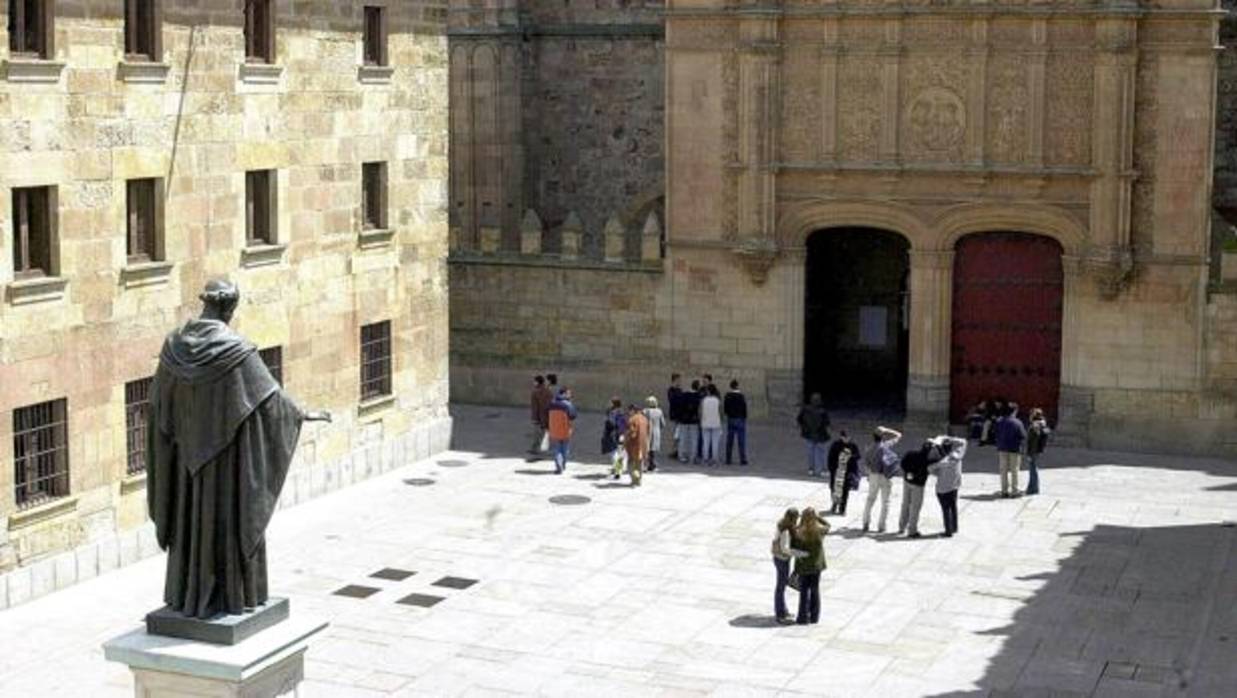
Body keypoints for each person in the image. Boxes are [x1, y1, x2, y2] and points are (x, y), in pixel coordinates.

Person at [147, 280, 332, 619]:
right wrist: (302, 413)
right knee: (229, 523)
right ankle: (229, 597)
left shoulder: (172, 347)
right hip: (226, 471)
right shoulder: (236, 350)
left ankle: (187, 594)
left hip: (187, 470)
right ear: (229, 309)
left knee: (192, 525)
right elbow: (271, 400)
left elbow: (158, 406)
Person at [791, 507, 830, 625]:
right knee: (815, 590)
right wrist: (818, 517)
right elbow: (828, 525)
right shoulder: (819, 531)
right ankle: (814, 617)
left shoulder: (798, 532)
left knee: (803, 592)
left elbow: (792, 548)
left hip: (803, 567)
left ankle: (802, 617)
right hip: (816, 566)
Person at [862, 426, 902, 533]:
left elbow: (866, 466)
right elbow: (899, 435)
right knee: (885, 502)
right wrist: (887, 430)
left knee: (870, 500)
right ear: (883, 436)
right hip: (885, 476)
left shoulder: (869, 449)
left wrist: (869, 476)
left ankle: (865, 523)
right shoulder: (885, 446)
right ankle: (881, 526)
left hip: (873, 476)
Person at [927, 435, 967, 537]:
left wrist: (938, 473)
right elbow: (963, 441)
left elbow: (929, 469)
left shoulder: (942, 463)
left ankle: (948, 531)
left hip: (943, 489)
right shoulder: (958, 454)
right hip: (954, 486)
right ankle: (954, 527)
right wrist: (949, 438)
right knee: (953, 507)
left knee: (946, 510)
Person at [771, 508, 804, 624]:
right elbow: (785, 549)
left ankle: (783, 610)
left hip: (778, 558)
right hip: (782, 560)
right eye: (796, 518)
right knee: (780, 586)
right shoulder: (786, 530)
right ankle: (780, 613)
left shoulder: (781, 523)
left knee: (782, 585)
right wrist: (799, 554)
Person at [897, 442, 932, 538]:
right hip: (918, 485)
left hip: (907, 482)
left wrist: (909, 472)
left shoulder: (911, 453)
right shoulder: (928, 460)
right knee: (915, 507)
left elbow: (902, 464)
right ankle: (912, 530)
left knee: (905, 504)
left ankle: (901, 527)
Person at [995, 402, 1028, 497]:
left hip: (1002, 448)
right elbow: (1023, 436)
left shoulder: (999, 421)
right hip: (1015, 449)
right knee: (1014, 470)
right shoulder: (1018, 422)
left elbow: (995, 433)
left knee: (1003, 470)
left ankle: (1004, 490)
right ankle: (1014, 490)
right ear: (1014, 411)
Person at [796, 393, 831, 477]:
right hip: (821, 435)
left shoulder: (805, 409)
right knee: (822, 453)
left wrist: (803, 428)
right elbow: (827, 423)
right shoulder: (823, 412)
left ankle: (811, 469)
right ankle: (823, 470)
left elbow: (799, 419)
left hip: (808, 434)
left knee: (810, 452)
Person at [827, 430, 861, 515]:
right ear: (841, 437)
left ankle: (842, 508)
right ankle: (834, 505)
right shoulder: (836, 445)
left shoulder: (853, 445)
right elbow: (830, 457)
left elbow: (858, 456)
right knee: (835, 490)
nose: (847, 439)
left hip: (847, 472)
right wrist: (832, 469)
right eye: (845, 437)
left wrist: (850, 457)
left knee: (845, 491)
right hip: (837, 471)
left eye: (848, 437)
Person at [546, 388, 578, 474]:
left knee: (557, 448)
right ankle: (563, 464)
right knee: (565, 447)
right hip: (565, 428)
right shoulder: (568, 404)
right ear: (563, 394)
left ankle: (558, 465)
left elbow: (546, 414)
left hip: (554, 429)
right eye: (568, 393)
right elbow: (573, 416)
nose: (570, 395)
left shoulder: (551, 403)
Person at [1025, 408, 1051, 495]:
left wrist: (1030, 453)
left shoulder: (1035, 426)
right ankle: (1031, 487)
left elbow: (1033, 441)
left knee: (1033, 469)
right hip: (1038, 450)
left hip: (1034, 451)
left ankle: (1033, 488)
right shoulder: (1043, 424)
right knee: (1034, 468)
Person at [723, 380, 749, 465]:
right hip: (740, 419)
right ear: (737, 386)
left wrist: (728, 414)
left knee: (729, 440)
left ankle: (728, 459)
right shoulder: (741, 396)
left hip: (731, 418)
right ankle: (743, 459)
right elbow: (744, 408)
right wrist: (744, 417)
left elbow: (725, 408)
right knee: (741, 440)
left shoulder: (727, 396)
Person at [624, 404, 650, 486]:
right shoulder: (645, 419)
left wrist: (625, 440)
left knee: (630, 463)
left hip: (633, 445)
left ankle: (634, 479)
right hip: (643, 444)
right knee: (640, 463)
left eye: (629, 411)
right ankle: (639, 480)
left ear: (633, 410)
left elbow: (632, 433)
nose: (628, 413)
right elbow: (648, 431)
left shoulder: (632, 419)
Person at [528, 375, 553, 458]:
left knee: (538, 433)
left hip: (539, 416)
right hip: (546, 415)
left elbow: (535, 407)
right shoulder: (547, 391)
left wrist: (535, 418)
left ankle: (536, 449)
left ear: (538, 382)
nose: (533, 383)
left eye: (534, 381)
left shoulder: (536, 392)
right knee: (543, 433)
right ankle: (539, 448)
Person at [678, 380, 702, 464]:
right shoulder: (698, 396)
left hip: (684, 420)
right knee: (694, 439)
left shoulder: (684, 395)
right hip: (693, 420)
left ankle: (682, 456)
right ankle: (693, 457)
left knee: (683, 438)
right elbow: (698, 409)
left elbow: (680, 407)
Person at [604, 397, 628, 479]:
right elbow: (625, 425)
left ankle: (617, 470)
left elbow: (611, 424)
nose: (609, 404)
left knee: (614, 453)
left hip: (614, 434)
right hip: (621, 435)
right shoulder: (622, 412)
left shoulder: (612, 413)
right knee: (620, 453)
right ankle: (618, 469)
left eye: (610, 402)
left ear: (614, 404)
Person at [700, 384, 724, 467]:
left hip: (705, 423)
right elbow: (721, 413)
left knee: (706, 442)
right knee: (715, 443)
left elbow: (700, 411)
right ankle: (714, 460)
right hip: (716, 423)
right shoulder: (718, 401)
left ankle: (705, 459)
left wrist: (701, 420)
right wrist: (721, 421)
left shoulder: (704, 400)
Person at [643, 396, 665, 472]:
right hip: (656, 432)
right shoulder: (659, 411)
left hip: (647, 431)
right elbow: (663, 424)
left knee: (647, 448)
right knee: (653, 450)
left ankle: (647, 464)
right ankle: (652, 464)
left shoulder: (645, 411)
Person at [667, 374, 684, 461]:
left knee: (678, 435)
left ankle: (676, 451)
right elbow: (672, 400)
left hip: (680, 415)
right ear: (674, 380)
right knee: (673, 434)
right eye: (678, 380)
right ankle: (672, 451)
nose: (680, 382)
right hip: (674, 415)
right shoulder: (671, 390)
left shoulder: (680, 390)